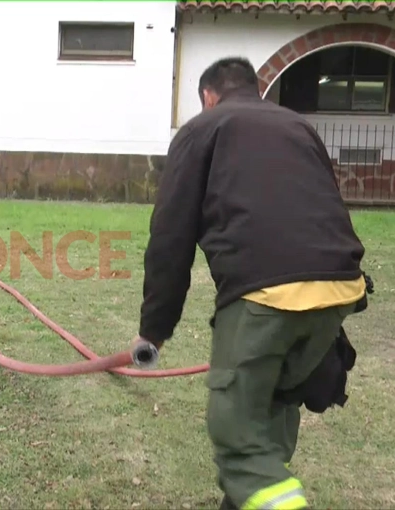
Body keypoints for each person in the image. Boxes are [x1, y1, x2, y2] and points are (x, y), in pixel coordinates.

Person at [132, 56, 368, 509]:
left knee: (236, 431)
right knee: (275, 401)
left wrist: (154, 330)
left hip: (265, 294)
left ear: (208, 96)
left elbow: (169, 238)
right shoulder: (298, 128)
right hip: (340, 288)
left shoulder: (203, 129)